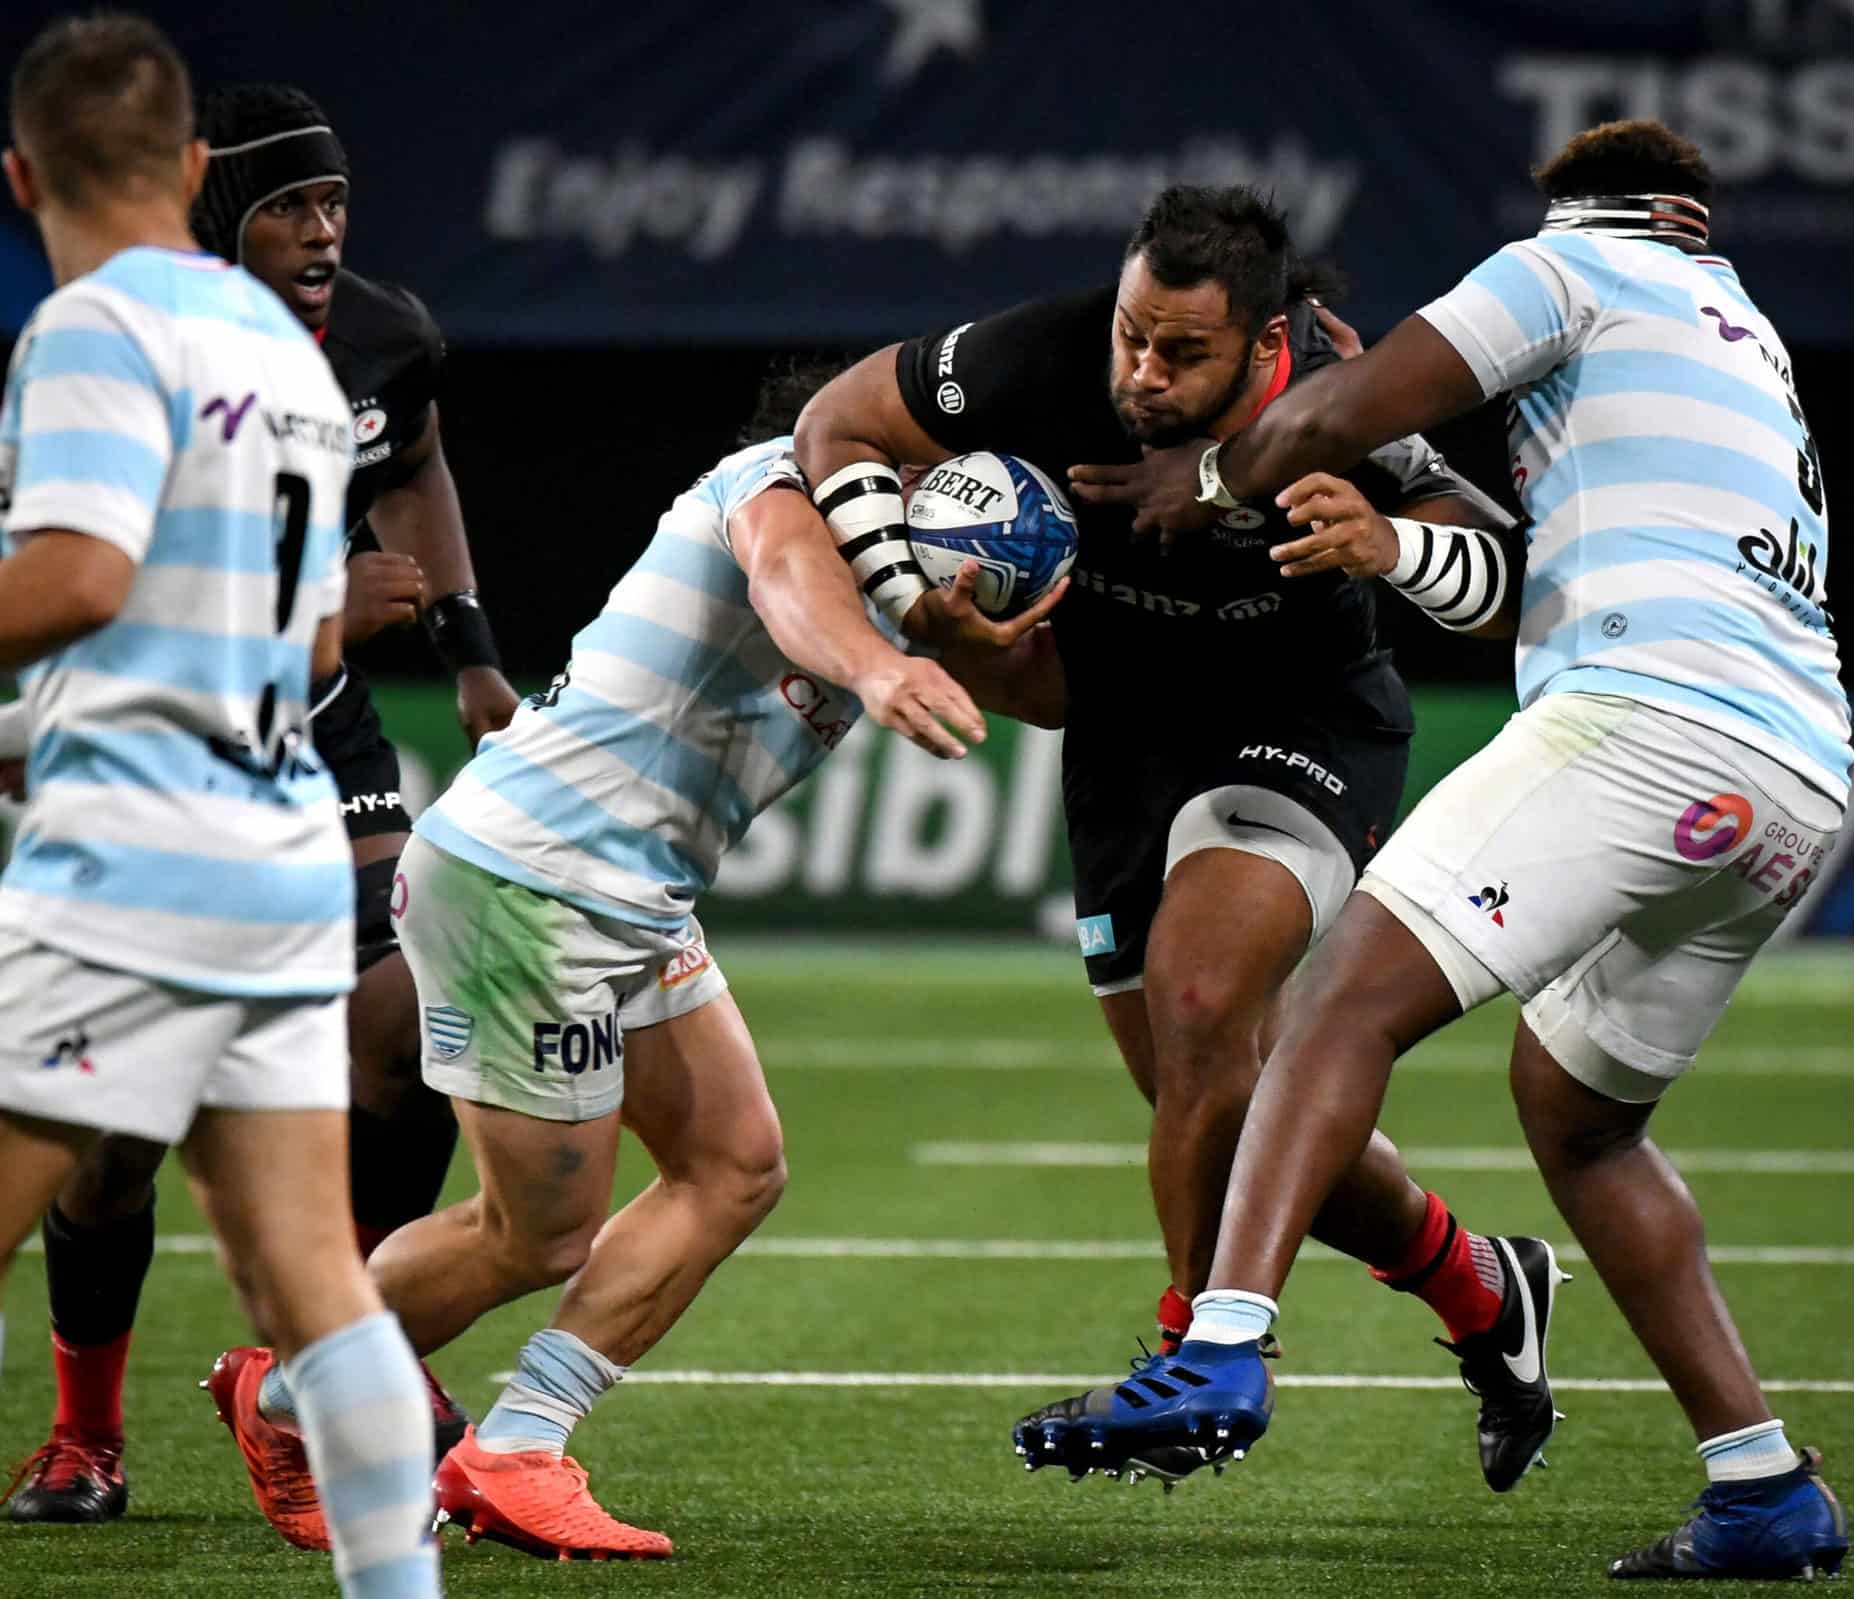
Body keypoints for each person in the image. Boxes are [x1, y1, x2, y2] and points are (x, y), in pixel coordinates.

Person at [1030, 121, 1853, 1581]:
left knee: (1343, 993)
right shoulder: (1750, 336)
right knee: (1580, 1116)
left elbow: (1309, 428)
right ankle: (1761, 1479)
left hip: (1650, 719)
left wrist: (1223, 474)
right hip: (1795, 777)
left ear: (1581, 207)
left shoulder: (1568, 267)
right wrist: (1393, 525)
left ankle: (1221, 1341)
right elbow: (1498, 548)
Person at [209, 362, 1064, 1559]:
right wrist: (876, 670)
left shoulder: (896, 589)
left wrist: (1075, 592)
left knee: (733, 1165)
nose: (920, 487)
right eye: (902, 462)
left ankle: (514, 1448)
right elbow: (783, 578)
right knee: (534, 1236)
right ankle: (285, 1388)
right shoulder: (765, 490)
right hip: (528, 885)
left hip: (630, 903)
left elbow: (1050, 692)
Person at [794, 185, 1557, 1492]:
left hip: (1300, 721)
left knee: (1206, 994)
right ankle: (1485, 1285)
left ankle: (1195, 1349)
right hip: (1120, 736)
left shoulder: (1341, 398)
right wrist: (913, 597)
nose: (1141, 371)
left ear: (1267, 345)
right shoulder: (1042, 351)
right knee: (1215, 1107)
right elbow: (836, 423)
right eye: (1133, 337)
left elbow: (1520, 582)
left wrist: (1390, 546)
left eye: (1182, 352)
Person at [4, 81, 515, 1525]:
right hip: (147, 749)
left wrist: (468, 654)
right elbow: (97, 588)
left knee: (411, 1015)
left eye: (337, 201)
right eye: (291, 202)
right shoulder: (126, 355)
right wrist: (315, 602)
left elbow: (412, 466)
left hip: (305, 744)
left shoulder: (365, 343)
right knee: (109, 1136)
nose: (323, 231)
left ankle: (318, 1360)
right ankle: (84, 1432)